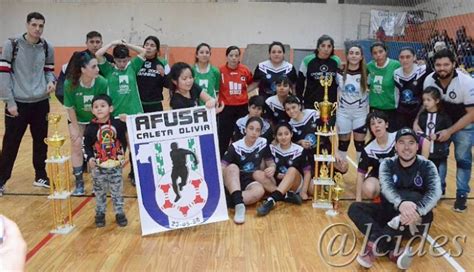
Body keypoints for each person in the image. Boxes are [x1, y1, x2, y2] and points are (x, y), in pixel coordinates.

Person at [348, 128, 442, 270]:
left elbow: (436, 192)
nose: (406, 147)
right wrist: (401, 204)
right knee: (355, 208)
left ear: (417, 146)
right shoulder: (387, 164)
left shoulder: (427, 165)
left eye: (411, 143)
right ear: (396, 146)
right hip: (391, 212)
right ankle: (393, 248)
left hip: (416, 220)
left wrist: (418, 210)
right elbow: (386, 188)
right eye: (402, 143)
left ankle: (375, 244)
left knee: (415, 197)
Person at [0, 12, 55, 195]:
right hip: (18, 104)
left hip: (40, 103)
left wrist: (50, 81)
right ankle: (1, 179)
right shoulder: (12, 44)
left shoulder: (47, 47)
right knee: (10, 143)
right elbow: (4, 75)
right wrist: (10, 102)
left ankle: (40, 175)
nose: (37, 29)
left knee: (41, 142)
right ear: (27, 25)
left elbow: (48, 71)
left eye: (41, 25)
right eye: (34, 25)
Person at [421, 49, 474, 212]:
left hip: (463, 125)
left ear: (454, 64)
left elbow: (472, 113)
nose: (442, 68)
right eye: (438, 65)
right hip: (438, 126)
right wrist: (417, 122)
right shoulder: (429, 80)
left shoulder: (467, 82)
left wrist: (450, 131)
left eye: (446, 64)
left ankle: (462, 195)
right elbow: (426, 104)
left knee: (463, 159)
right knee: (437, 157)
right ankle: (438, 190)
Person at [356, 111, 430, 202]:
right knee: (369, 188)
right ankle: (381, 196)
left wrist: (422, 167)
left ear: (386, 124)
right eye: (373, 124)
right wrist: (358, 199)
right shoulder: (368, 149)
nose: (376, 126)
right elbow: (361, 174)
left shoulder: (398, 136)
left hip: (404, 174)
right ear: (370, 128)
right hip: (381, 177)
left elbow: (425, 141)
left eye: (379, 122)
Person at [63, 53, 108, 196]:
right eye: (94, 66)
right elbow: (70, 108)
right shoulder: (70, 83)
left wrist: (97, 126)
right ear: (83, 69)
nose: (97, 69)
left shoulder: (102, 82)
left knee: (97, 149)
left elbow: (103, 106)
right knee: (76, 146)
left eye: (97, 66)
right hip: (77, 119)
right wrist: (76, 130)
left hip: (96, 120)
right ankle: (79, 183)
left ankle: (97, 182)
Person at [84, 94, 128, 228]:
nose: (99, 109)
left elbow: (125, 138)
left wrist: (122, 156)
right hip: (98, 167)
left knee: (117, 191)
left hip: (115, 165)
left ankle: (120, 213)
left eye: (103, 106)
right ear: (92, 110)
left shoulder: (118, 124)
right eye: (96, 107)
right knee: (99, 191)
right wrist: (90, 157)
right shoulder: (90, 127)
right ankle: (100, 214)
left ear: (110, 108)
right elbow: (86, 145)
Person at [221, 117, 275, 224]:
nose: (254, 132)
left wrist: (272, 168)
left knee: (260, 191)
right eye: (251, 128)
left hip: (250, 180)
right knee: (232, 167)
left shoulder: (263, 143)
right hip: (234, 179)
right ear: (245, 129)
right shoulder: (235, 146)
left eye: (257, 130)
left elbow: (271, 162)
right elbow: (222, 167)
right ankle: (240, 207)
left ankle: (233, 201)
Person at [256, 123, 309, 216]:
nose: (283, 137)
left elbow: (307, 172)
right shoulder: (271, 149)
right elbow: (267, 167)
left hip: (294, 183)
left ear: (291, 134)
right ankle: (286, 196)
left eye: (286, 134)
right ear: (275, 136)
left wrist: (304, 191)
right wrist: (275, 174)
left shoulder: (300, 150)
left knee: (291, 170)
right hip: (276, 183)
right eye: (280, 134)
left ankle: (271, 200)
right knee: (257, 174)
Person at [56, 31, 114, 105]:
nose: (95, 45)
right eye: (92, 42)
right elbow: (69, 76)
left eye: (97, 42)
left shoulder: (109, 58)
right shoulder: (79, 57)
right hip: (81, 97)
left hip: (101, 98)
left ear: (102, 43)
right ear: (86, 43)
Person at [218, 46, 254, 157]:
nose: (234, 58)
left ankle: (241, 157)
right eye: (231, 55)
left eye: (236, 55)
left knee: (241, 134)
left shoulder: (245, 70)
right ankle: (221, 158)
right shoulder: (220, 71)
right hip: (226, 108)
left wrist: (245, 91)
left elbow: (253, 82)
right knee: (224, 135)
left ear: (239, 57)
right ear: (226, 56)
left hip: (242, 107)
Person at [96, 40, 145, 119]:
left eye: (124, 61)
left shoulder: (132, 66)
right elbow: (98, 54)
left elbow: (143, 51)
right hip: (115, 114)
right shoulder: (108, 69)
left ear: (129, 58)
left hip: (134, 112)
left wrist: (126, 44)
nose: (122, 64)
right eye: (119, 61)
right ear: (114, 59)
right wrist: (111, 43)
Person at [336, 44, 369, 162]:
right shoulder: (339, 72)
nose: (354, 56)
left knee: (359, 145)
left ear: (361, 57)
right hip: (343, 113)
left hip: (360, 113)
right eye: (351, 53)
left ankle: (361, 174)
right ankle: (339, 172)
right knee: (343, 144)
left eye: (357, 53)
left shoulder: (367, 72)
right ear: (347, 56)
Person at [417, 87, 452, 196]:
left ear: (437, 101)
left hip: (439, 151)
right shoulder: (422, 116)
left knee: (440, 173)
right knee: (427, 172)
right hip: (425, 153)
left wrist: (438, 136)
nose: (425, 103)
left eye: (428, 100)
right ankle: (429, 191)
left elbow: (448, 132)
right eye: (424, 100)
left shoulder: (444, 117)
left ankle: (440, 189)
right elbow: (419, 131)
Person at [296, 34, 341, 111]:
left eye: (329, 46)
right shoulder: (307, 60)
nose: (326, 49)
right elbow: (300, 82)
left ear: (332, 48)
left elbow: (339, 82)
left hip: (330, 104)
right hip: (311, 102)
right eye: (323, 46)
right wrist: (299, 100)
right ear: (318, 47)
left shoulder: (336, 60)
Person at [367, 42, 401, 132]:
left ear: (386, 52)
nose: (378, 55)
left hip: (391, 108)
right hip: (375, 108)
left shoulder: (396, 65)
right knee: (376, 136)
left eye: (380, 51)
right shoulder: (370, 66)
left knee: (391, 137)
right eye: (375, 53)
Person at [394, 47, 429, 130]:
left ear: (414, 57)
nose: (405, 60)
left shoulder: (423, 70)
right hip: (402, 112)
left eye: (408, 57)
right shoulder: (396, 73)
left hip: (419, 111)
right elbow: (397, 93)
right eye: (402, 57)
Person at [137, 35, 170, 113]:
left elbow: (169, 84)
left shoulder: (163, 63)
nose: (148, 47)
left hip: (155, 105)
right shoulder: (137, 62)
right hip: (138, 105)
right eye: (146, 44)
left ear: (157, 50)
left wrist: (163, 75)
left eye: (152, 45)